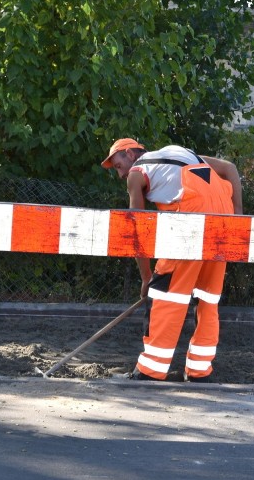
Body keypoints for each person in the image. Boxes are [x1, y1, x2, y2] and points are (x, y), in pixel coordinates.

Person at [101, 138, 242, 382]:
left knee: (166, 294)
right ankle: (199, 373)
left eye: (118, 166)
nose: (120, 174)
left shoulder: (137, 172)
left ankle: (150, 372)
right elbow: (230, 168)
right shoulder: (183, 154)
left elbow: (138, 229)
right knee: (207, 297)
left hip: (190, 220)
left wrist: (147, 279)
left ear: (130, 154)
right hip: (223, 222)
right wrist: (239, 217)